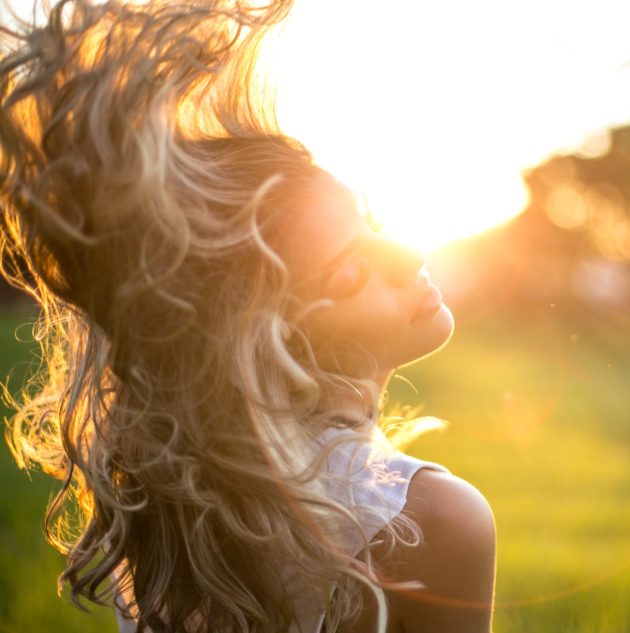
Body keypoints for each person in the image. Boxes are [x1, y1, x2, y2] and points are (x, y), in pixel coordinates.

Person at [0, 1, 495, 632]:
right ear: (265, 343)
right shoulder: (432, 521)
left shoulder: (169, 511)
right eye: (348, 272)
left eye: (372, 220)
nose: (408, 252)